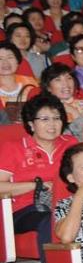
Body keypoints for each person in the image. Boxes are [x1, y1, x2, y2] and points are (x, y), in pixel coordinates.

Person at [0, 92, 71, 253]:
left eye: (56, 118)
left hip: (67, 204)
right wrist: (36, 185)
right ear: (31, 124)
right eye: (44, 119)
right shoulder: (13, 148)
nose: (52, 124)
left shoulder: (71, 144)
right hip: (25, 210)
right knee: (50, 220)